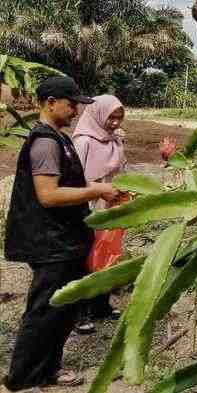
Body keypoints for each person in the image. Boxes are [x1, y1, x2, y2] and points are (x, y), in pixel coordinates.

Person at [3, 76, 119, 391]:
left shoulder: (60, 137)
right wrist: (95, 190)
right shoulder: (45, 142)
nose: (75, 111)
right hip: (49, 242)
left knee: (62, 310)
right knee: (44, 310)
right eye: (71, 104)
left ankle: (48, 370)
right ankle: (22, 377)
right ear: (51, 102)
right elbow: (48, 195)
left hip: (63, 238)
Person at [72, 95, 127, 333]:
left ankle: (101, 306)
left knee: (105, 256)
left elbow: (122, 171)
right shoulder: (83, 142)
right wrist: (96, 192)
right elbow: (73, 179)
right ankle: (79, 313)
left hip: (109, 206)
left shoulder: (115, 141)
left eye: (119, 117)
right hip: (87, 205)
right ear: (97, 115)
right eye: (110, 117)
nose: (114, 122)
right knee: (84, 258)